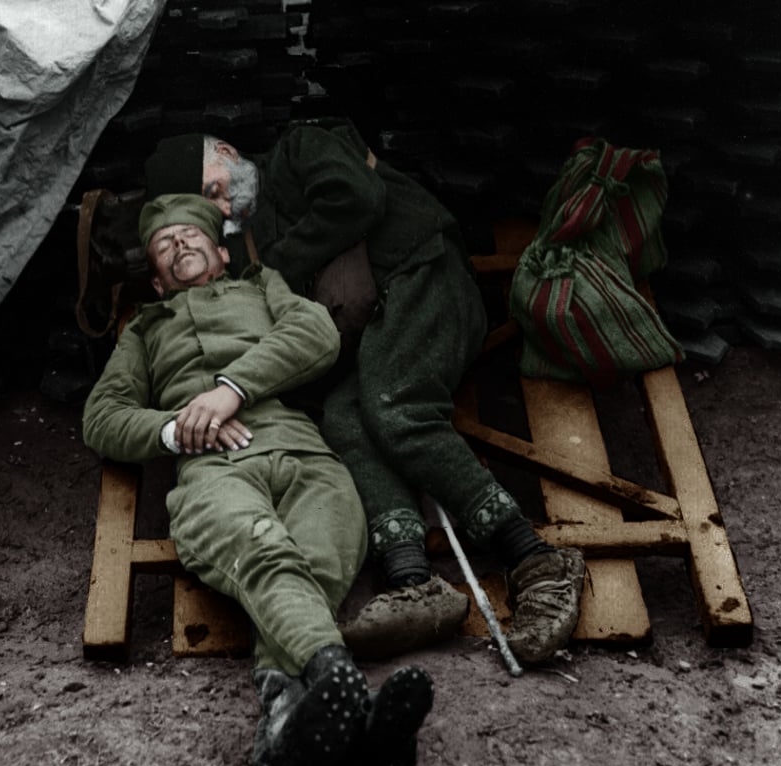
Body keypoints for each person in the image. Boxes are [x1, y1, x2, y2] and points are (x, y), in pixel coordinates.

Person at [143, 121, 586, 666]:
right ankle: (412, 581)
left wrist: (271, 270)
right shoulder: (251, 238)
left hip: (423, 278)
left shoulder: (301, 148)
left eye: (215, 189)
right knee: (344, 418)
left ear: (229, 154)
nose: (224, 207)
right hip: (372, 334)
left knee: (395, 404)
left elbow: (357, 196)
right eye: (211, 209)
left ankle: (535, 560)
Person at [81, 193, 435, 766]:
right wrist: (175, 428)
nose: (180, 246)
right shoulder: (143, 330)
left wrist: (231, 388)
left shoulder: (263, 286)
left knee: (321, 555)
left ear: (221, 252)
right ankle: (339, 687)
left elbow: (315, 332)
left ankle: (288, 725)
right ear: (158, 279)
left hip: (302, 451)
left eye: (192, 237)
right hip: (213, 469)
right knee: (264, 551)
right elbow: (102, 417)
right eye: (166, 246)